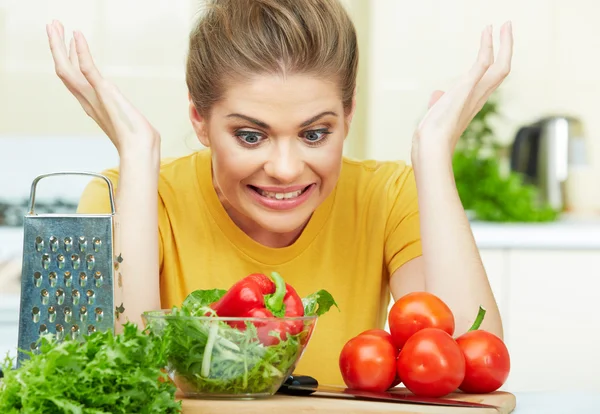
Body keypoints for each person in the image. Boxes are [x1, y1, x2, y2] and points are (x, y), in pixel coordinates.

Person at [45, 0, 513, 386]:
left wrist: (432, 155)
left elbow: (473, 370)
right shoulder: (123, 196)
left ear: (347, 116)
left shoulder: (387, 196)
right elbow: (119, 381)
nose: (286, 170)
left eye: (315, 134)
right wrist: (137, 153)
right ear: (198, 119)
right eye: (250, 136)